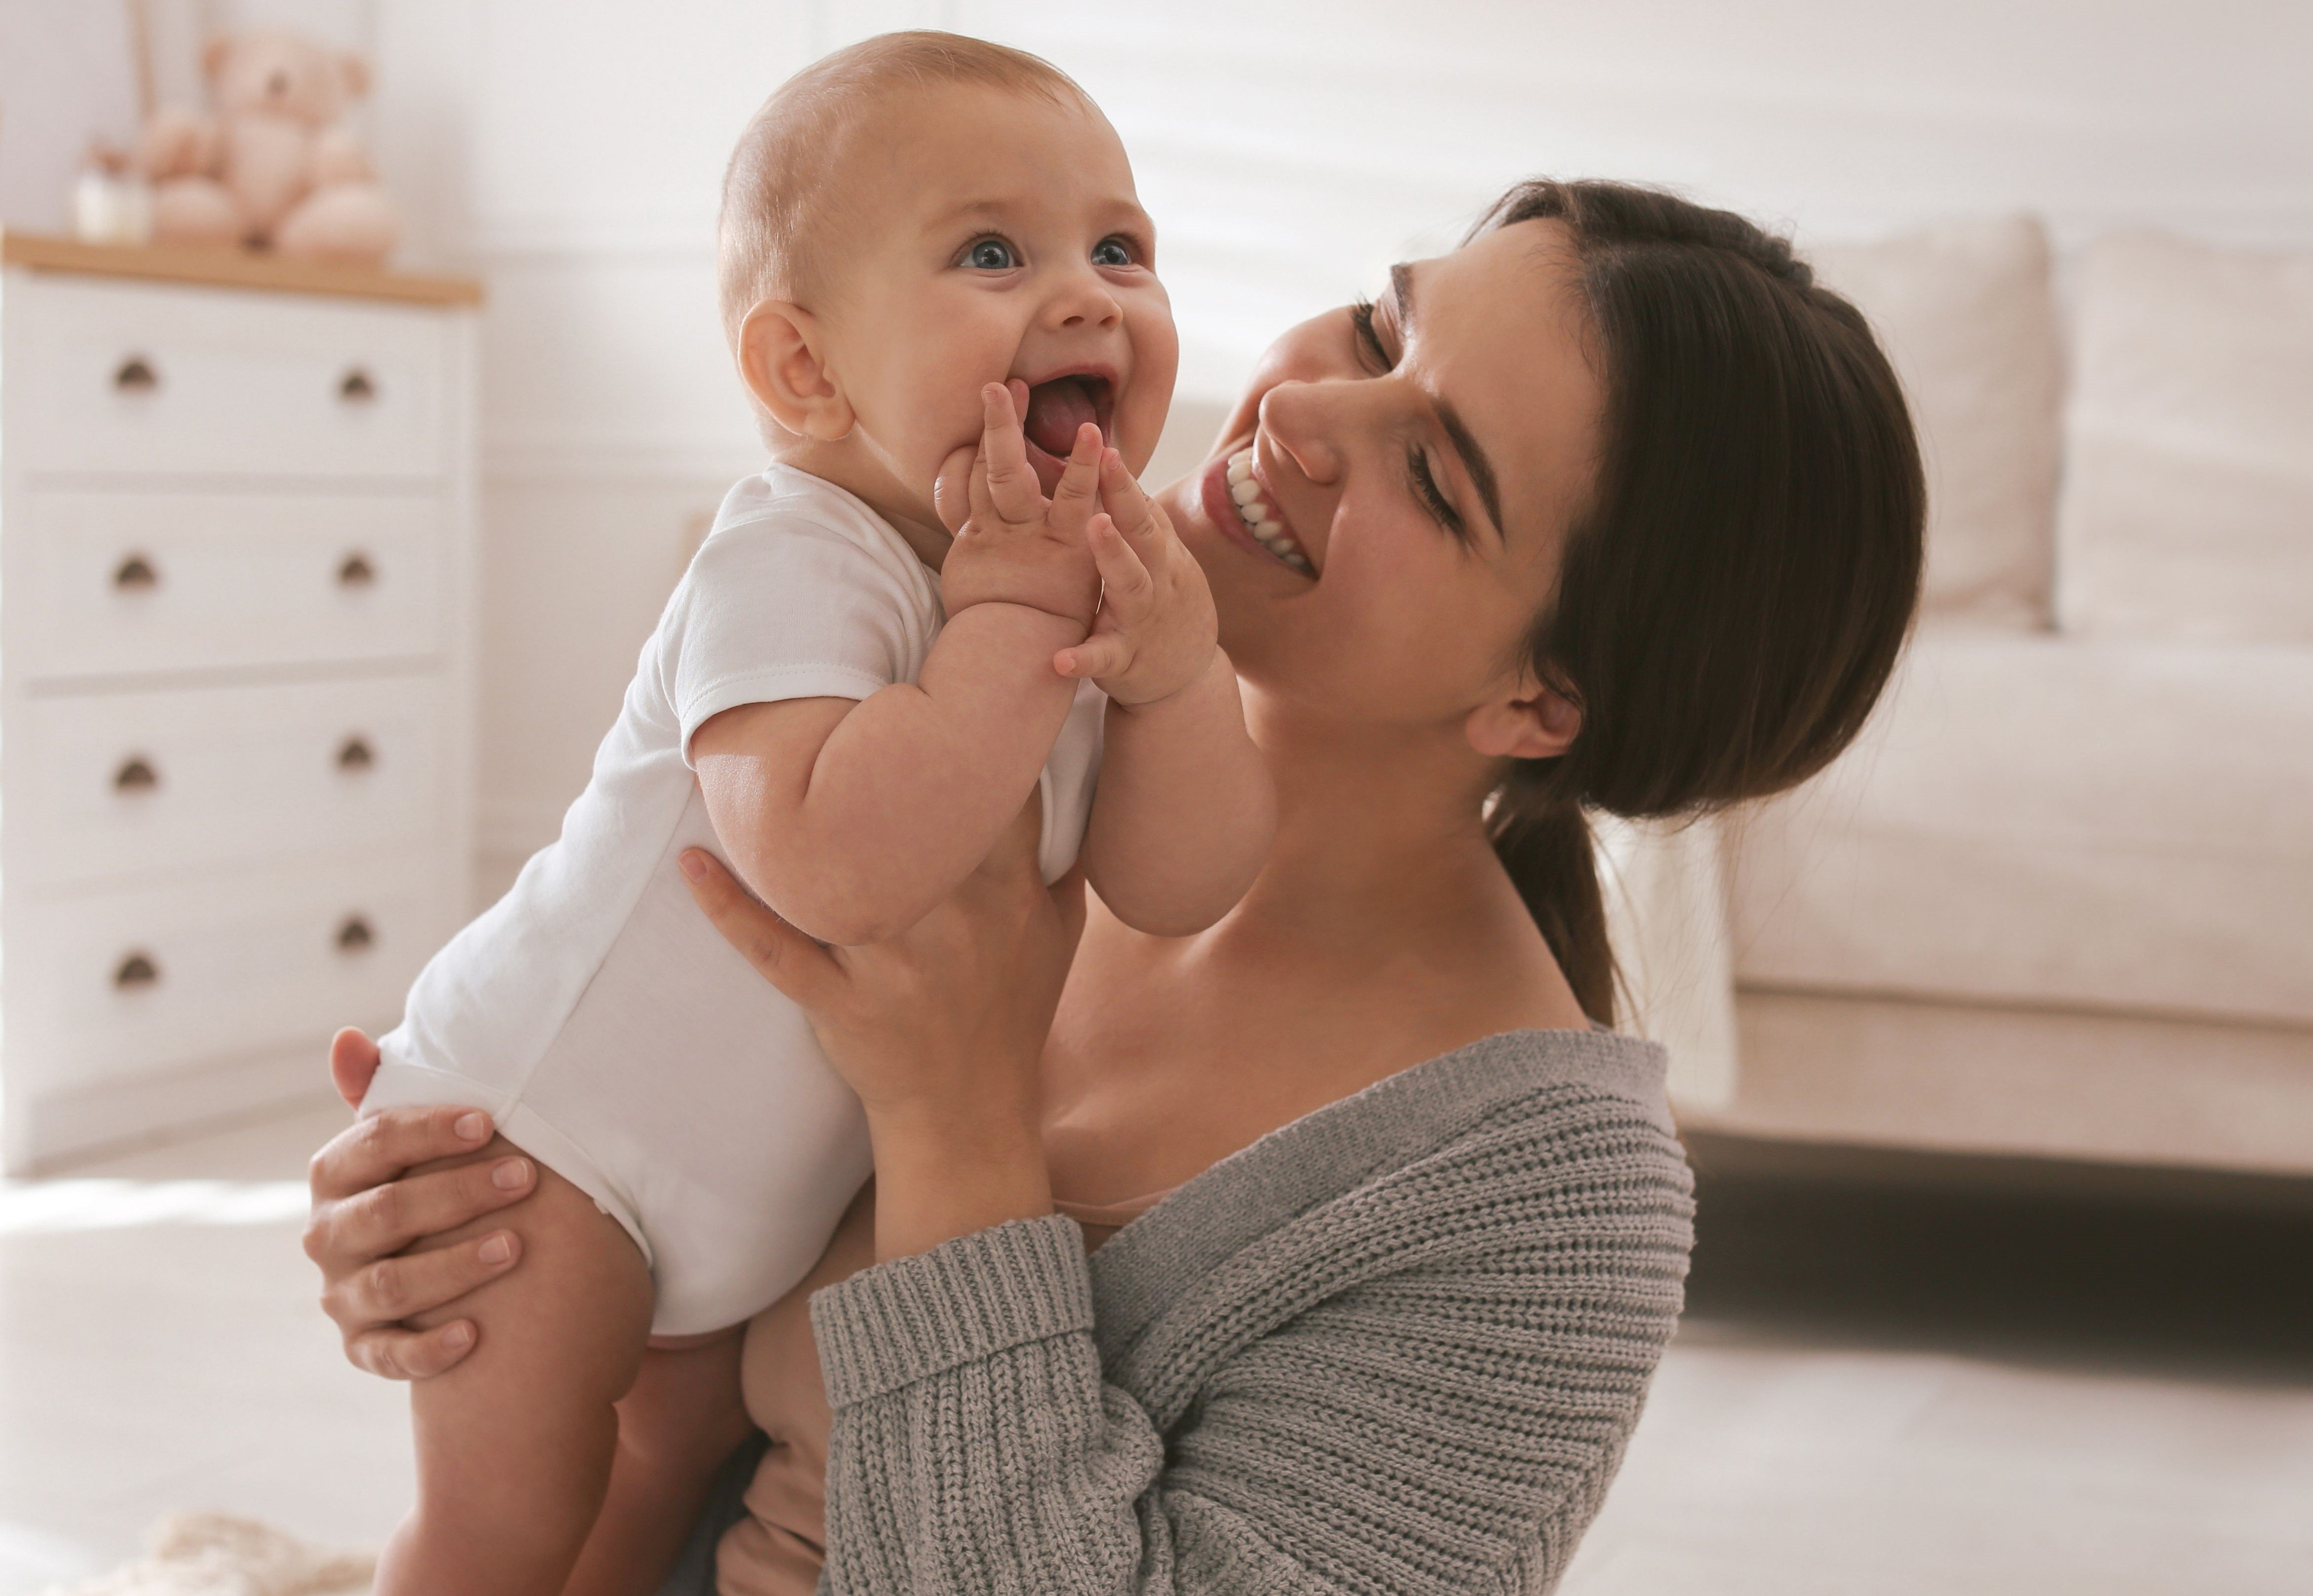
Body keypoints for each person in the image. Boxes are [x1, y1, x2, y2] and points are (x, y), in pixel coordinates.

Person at [307, 176, 1926, 1595]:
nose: (1306, 412)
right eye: (1380, 327)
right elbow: (656, 1260)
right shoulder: (971, 731)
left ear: (1540, 701)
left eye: (1436, 476)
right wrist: (476, 1225)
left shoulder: (1545, 1215)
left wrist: (956, 1128)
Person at [352, 32, 1273, 1596]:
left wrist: (1178, 679)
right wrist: (1007, 625)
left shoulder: (1071, 578)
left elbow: (1182, 881)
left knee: (646, 1495)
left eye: (1121, 248)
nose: (1088, 295)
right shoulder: (795, 555)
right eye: (994, 253)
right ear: (806, 371)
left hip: (736, 1207)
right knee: (509, 1525)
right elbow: (833, 865)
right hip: (547, 1145)